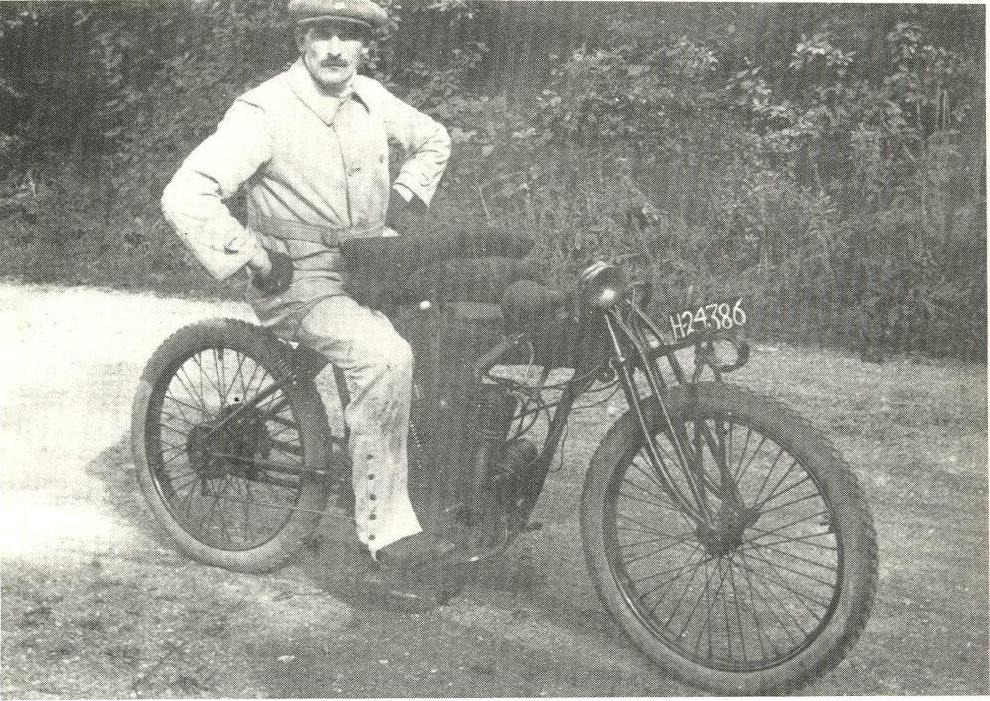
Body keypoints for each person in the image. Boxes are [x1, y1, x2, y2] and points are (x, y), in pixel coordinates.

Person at [161, 0, 454, 569]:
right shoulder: (265, 109)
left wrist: (404, 198)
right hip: (299, 278)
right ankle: (387, 534)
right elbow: (186, 193)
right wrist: (252, 254)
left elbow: (434, 138)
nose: (336, 49)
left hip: (373, 269)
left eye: (349, 36)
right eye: (323, 34)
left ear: (365, 46)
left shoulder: (370, 97)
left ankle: (438, 487)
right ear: (301, 41)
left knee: (452, 339)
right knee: (384, 357)